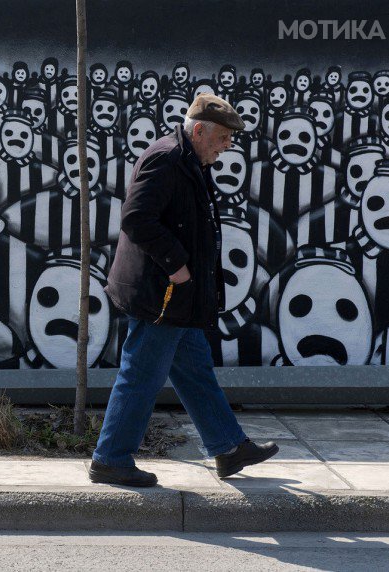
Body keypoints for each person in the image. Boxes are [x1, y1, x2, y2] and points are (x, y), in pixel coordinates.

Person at [90, 93, 279, 487]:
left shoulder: (189, 158)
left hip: (177, 293)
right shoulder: (167, 159)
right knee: (141, 374)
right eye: (223, 139)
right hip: (162, 293)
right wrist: (178, 266)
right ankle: (110, 458)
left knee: (194, 370)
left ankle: (228, 448)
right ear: (199, 130)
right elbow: (137, 219)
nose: (227, 148)